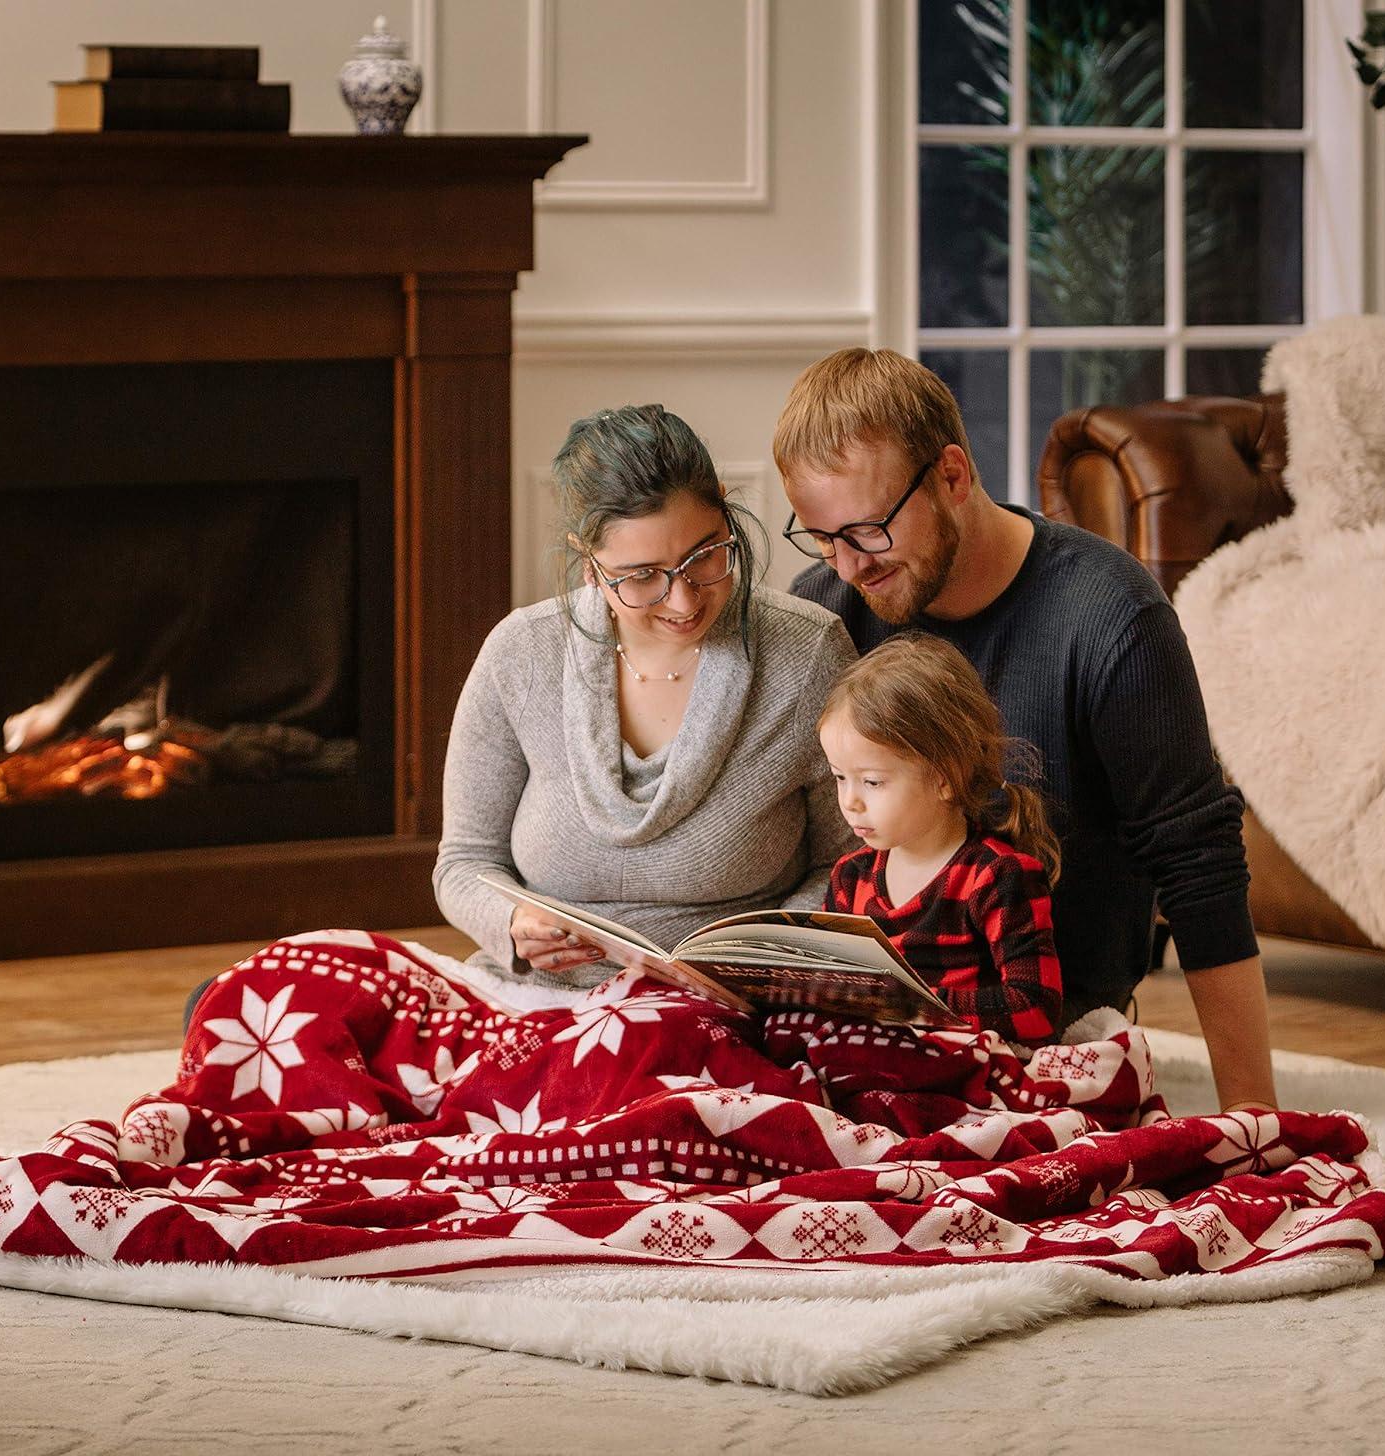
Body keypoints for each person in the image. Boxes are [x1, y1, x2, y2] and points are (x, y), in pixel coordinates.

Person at [774, 348, 1276, 1112]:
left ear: (951, 474)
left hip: (1048, 1042)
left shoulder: (1109, 615)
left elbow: (1199, 862)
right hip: (866, 1039)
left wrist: (1254, 1115)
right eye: (820, 538)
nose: (847, 568)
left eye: (869, 530)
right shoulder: (824, 616)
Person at [433, 403, 858, 987]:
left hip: (730, 1006)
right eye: (641, 576)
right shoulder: (521, 653)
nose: (683, 602)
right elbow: (464, 862)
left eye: (705, 555)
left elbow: (851, 864)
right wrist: (511, 921)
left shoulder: (808, 655)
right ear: (588, 566)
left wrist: (765, 954)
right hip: (536, 1002)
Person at [819, 633, 1064, 1046]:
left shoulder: (998, 876)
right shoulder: (850, 878)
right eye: (840, 777)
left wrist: (911, 1007)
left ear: (944, 778)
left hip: (965, 1064)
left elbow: (1037, 1009)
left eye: (873, 781)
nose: (850, 801)